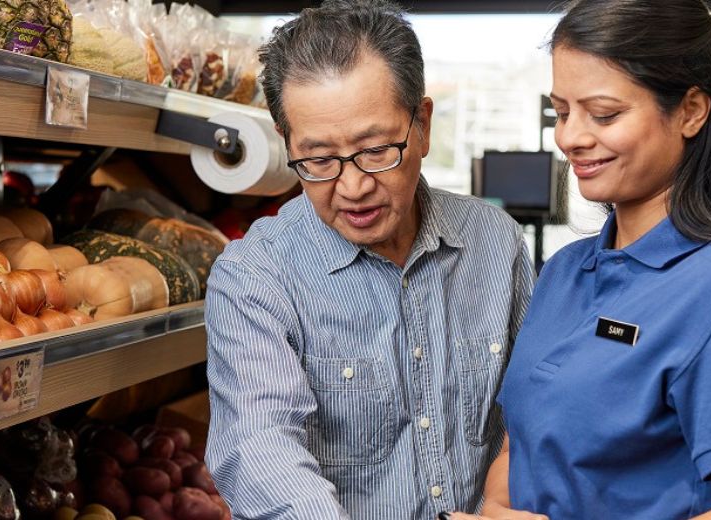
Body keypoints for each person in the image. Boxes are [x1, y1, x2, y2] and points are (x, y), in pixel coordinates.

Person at [447, 0, 711, 519]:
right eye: (561, 111)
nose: (571, 138)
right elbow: (525, 448)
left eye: (604, 114)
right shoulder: (565, 271)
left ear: (691, 111)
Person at [204, 1, 535, 519]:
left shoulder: (497, 244)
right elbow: (260, 449)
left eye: (377, 150)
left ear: (421, 126)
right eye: (318, 160)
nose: (354, 188)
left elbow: (533, 411)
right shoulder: (255, 277)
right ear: (286, 143)